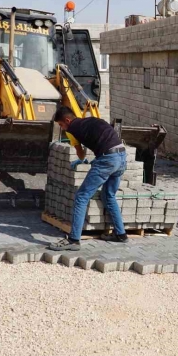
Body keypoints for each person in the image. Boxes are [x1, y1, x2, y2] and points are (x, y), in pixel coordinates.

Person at [48, 107, 128, 251]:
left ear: (67, 120)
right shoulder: (91, 120)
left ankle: (73, 240)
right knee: (108, 195)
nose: (62, 128)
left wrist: (81, 159)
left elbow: (81, 153)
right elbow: (103, 139)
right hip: (121, 156)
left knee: (82, 196)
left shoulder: (72, 129)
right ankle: (121, 234)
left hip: (107, 159)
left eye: (61, 125)